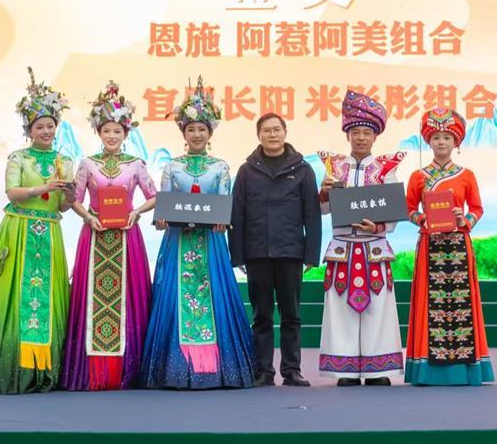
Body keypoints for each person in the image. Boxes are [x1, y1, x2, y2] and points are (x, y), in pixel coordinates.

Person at [0, 71, 73, 394]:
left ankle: (44, 370)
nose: (46, 131)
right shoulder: (18, 158)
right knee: (14, 296)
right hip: (20, 230)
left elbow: (63, 206)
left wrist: (70, 195)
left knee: (47, 297)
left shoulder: (64, 160)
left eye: (50, 126)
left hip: (50, 231)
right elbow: (13, 193)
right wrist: (44, 187)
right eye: (39, 127)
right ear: (29, 130)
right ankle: (10, 368)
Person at [140, 78, 255, 389]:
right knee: (175, 298)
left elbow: (223, 203)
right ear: (183, 133)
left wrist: (222, 220)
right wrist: (162, 219)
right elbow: (165, 202)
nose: (196, 134)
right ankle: (176, 366)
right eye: (190, 129)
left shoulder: (220, 167)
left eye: (201, 129)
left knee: (214, 296)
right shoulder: (172, 166)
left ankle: (214, 367)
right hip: (178, 242)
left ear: (210, 133)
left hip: (210, 242)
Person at [61, 82, 156, 391]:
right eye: (106, 131)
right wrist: (88, 216)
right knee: (90, 297)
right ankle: (93, 372)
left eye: (117, 131)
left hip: (127, 237)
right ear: (98, 133)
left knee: (130, 297)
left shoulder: (136, 164)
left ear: (125, 133)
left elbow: (155, 196)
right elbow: (75, 199)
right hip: (95, 237)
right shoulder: (88, 164)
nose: (112, 136)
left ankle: (127, 369)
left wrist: (136, 211)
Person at [317, 90, 406, 386]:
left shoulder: (385, 170)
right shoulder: (334, 168)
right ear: (347, 135)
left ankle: (378, 369)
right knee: (340, 309)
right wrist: (324, 192)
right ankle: (345, 370)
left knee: (378, 310)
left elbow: (394, 212)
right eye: (355, 132)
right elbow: (323, 210)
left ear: (375, 136)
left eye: (367, 133)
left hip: (373, 248)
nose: (361, 138)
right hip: (342, 248)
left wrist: (377, 227)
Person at [403, 107, 495, 386]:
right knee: (429, 304)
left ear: (456, 142)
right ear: (428, 141)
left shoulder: (466, 175)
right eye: (436, 137)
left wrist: (463, 219)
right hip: (430, 245)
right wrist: (421, 218)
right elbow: (408, 208)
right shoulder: (418, 176)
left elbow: (477, 208)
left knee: (460, 306)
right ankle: (428, 370)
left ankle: (463, 369)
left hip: (457, 245)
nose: (441, 142)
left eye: (447, 137)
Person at [230, 113, 321, 387]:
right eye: (267, 131)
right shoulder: (247, 171)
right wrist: (237, 255)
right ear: (259, 135)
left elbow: (312, 214)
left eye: (276, 130)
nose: (272, 135)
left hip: (290, 252)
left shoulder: (303, 169)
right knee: (261, 316)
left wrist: (311, 254)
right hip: (257, 252)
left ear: (285, 132)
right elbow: (237, 214)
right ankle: (263, 371)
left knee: (292, 315)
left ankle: (292, 370)